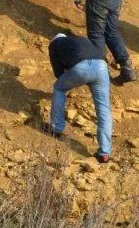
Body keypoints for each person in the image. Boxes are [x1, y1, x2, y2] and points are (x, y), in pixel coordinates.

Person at [45, 33, 113, 163]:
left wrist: (73, 78)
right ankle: (104, 152)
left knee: (59, 88)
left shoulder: (54, 45)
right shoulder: (79, 39)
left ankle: (56, 128)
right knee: (103, 108)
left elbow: (58, 74)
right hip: (102, 66)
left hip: (81, 68)